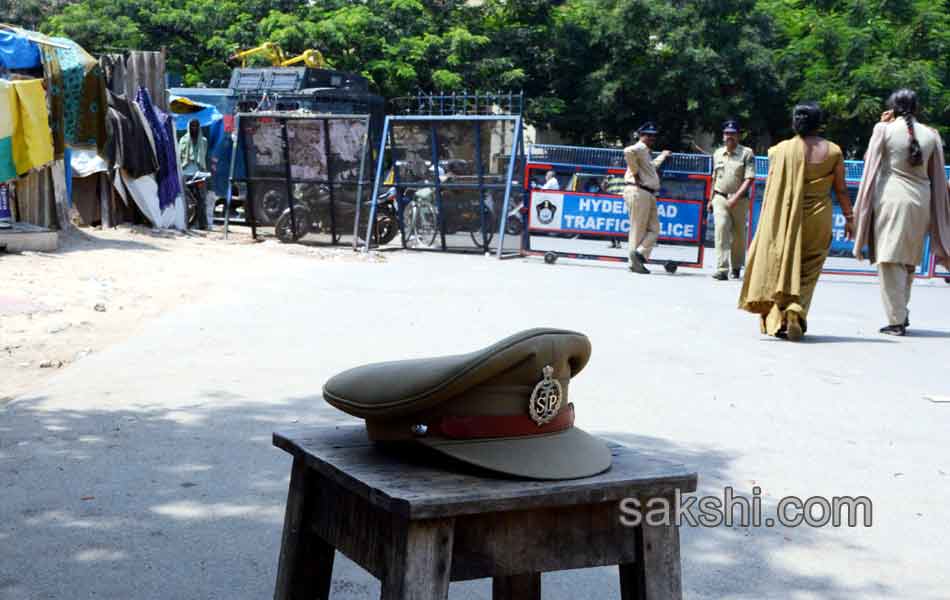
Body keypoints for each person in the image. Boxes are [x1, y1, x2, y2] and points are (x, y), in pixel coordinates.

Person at [738, 103, 854, 340]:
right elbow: (841, 190)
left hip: (784, 220)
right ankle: (795, 309)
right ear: (818, 123)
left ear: (795, 122)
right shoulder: (833, 151)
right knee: (809, 269)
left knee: (782, 266)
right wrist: (850, 218)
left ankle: (784, 315)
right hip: (818, 218)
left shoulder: (779, 151)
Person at [852, 89, 950, 335]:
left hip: (892, 199)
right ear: (916, 108)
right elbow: (938, 176)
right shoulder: (932, 135)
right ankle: (901, 311)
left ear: (893, 107)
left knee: (888, 259)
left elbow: (869, 161)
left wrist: (882, 125)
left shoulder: (883, 130)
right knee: (907, 259)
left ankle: (896, 320)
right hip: (921, 202)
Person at [709, 120, 755, 281]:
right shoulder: (717, 153)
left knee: (739, 236)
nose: (730, 136)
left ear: (738, 136)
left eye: (733, 134)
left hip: (740, 200)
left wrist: (735, 198)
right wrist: (710, 199)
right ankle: (722, 269)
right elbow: (714, 178)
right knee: (721, 229)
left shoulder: (746, 153)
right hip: (720, 197)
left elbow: (749, 179)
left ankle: (736, 267)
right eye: (727, 133)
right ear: (723, 136)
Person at [623, 122, 671, 274]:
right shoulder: (639, 147)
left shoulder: (645, 151)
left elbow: (651, 168)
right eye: (647, 135)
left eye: (653, 135)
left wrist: (663, 156)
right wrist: (636, 174)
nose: (651, 138)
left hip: (647, 192)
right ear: (640, 135)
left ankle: (639, 254)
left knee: (654, 229)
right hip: (639, 190)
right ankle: (634, 263)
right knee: (638, 229)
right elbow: (627, 151)